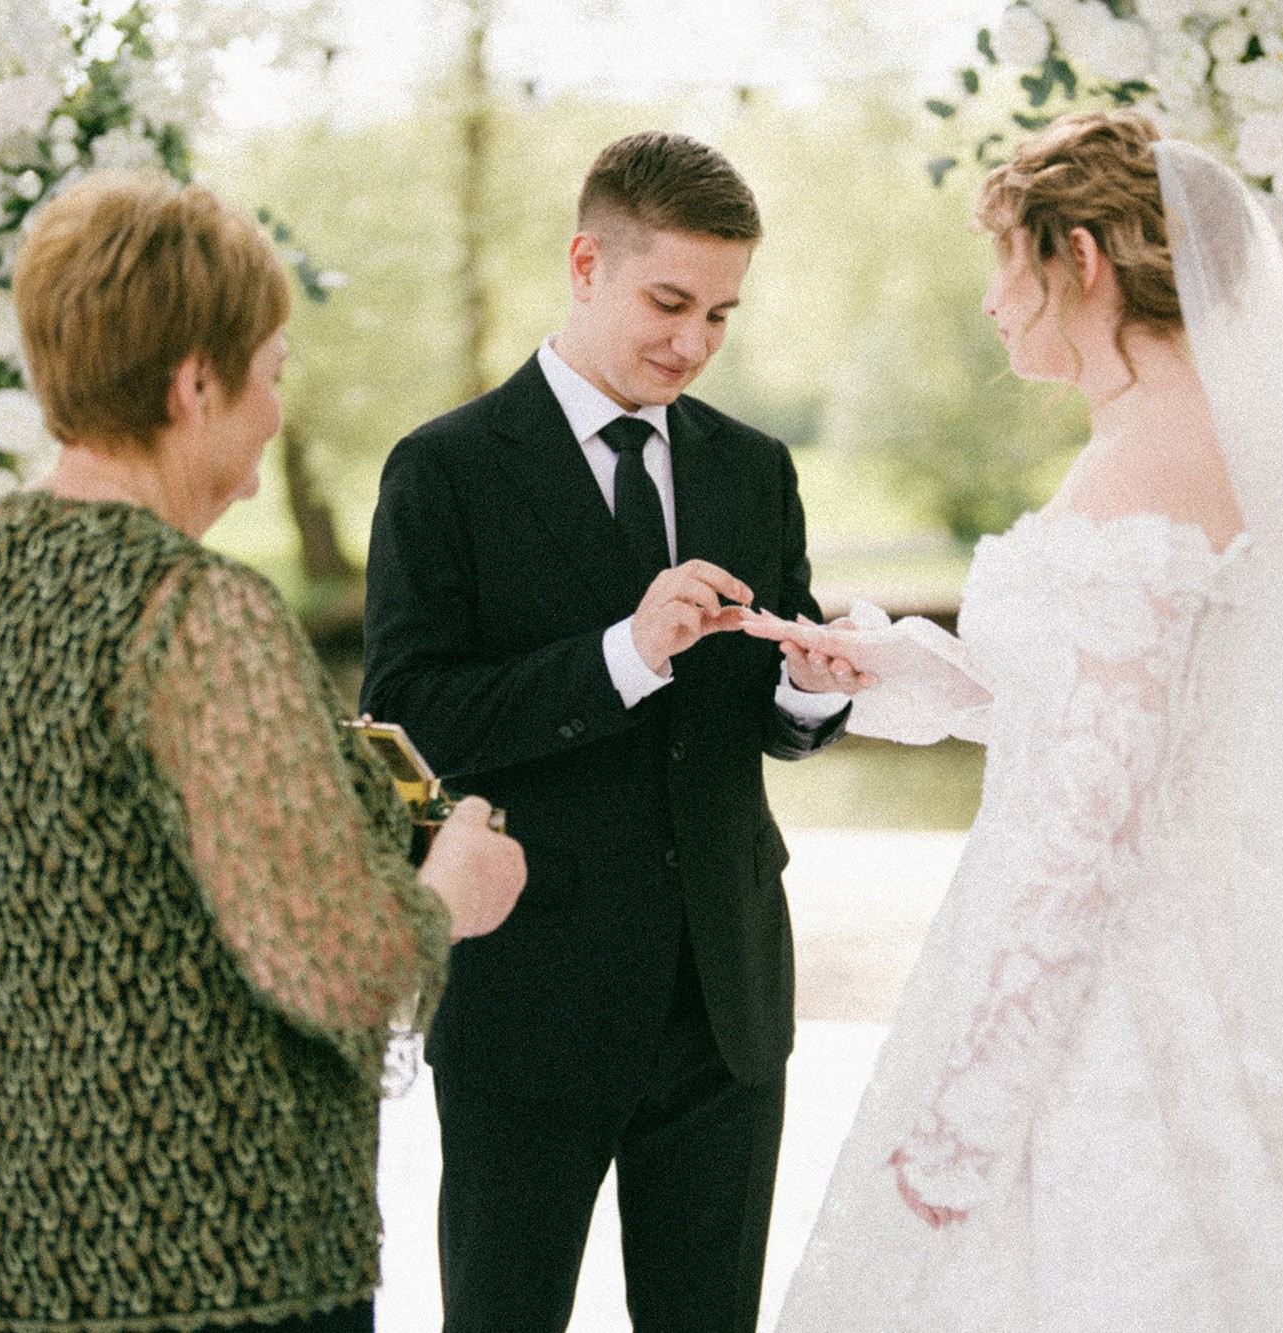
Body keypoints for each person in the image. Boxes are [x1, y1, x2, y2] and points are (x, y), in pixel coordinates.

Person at [768, 111, 1283, 1331]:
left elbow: (1094, 806)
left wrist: (974, 1106)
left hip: (1111, 999)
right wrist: (886, 664)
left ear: (1082, 257)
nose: (994, 304)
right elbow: (1081, 706)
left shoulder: (1155, 454)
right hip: (1102, 948)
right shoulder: (1139, 438)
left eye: (1007, 262)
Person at [0, 171, 526, 1333]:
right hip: (205, 1271)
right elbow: (341, 965)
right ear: (194, 382)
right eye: (272, 373)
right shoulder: (193, 611)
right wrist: (452, 891)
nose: (278, 413)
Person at [360, 131, 864, 1332]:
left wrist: (810, 689)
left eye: (721, 314)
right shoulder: (442, 472)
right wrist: (621, 655)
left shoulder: (754, 468)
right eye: (669, 301)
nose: (692, 342)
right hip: (526, 1000)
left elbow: (761, 726)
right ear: (587, 263)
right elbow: (412, 724)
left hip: (726, 1001)